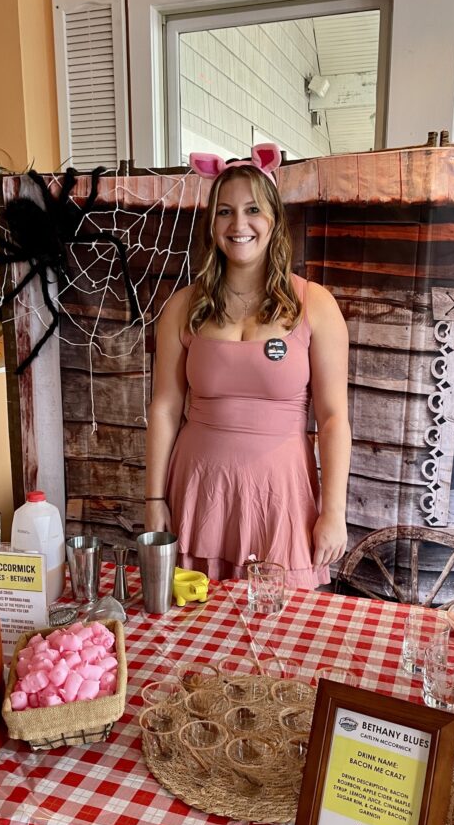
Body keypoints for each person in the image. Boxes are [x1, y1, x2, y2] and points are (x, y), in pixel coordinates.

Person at [144, 143, 351, 589]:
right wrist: (154, 498)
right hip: (199, 493)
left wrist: (333, 510)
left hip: (281, 497)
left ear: (274, 220)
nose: (239, 224)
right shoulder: (183, 307)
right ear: (211, 224)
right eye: (224, 212)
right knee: (196, 630)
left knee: (282, 630)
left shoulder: (314, 304)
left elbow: (334, 419)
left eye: (253, 209)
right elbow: (163, 408)